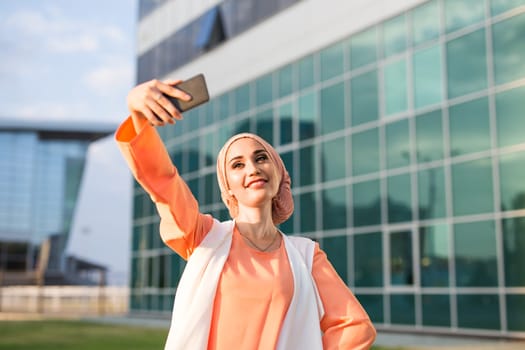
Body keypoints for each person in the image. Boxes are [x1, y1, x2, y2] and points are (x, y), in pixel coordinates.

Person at [115, 78, 377, 350]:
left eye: (261, 158)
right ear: (228, 189)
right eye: (237, 165)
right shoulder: (203, 236)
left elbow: (355, 326)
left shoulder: (307, 256)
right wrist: (136, 115)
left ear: (279, 175)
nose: (252, 168)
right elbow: (164, 182)